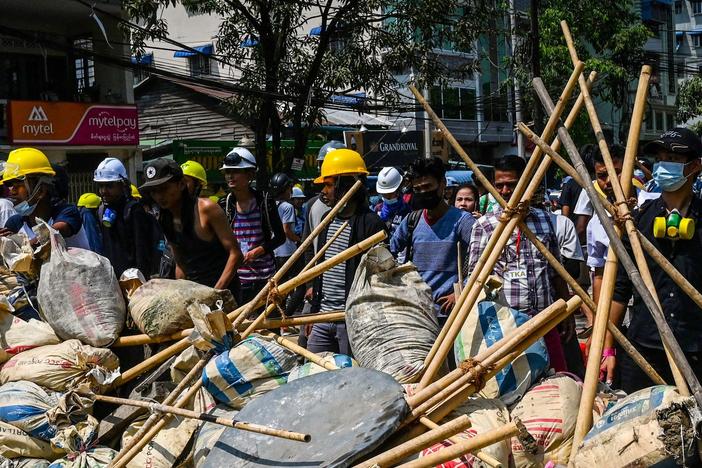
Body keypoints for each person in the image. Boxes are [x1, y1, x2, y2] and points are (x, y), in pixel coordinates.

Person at [603, 128, 702, 391]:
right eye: (660, 158)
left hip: (695, 349)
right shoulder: (636, 222)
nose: (663, 165)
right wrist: (608, 348)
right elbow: (620, 290)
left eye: (673, 158)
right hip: (644, 350)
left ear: (695, 166)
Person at [467, 155, 572, 372]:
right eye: (499, 185)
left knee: (558, 379)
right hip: (507, 325)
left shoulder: (543, 220)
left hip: (545, 319)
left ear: (526, 184)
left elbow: (556, 272)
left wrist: (566, 312)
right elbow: (475, 281)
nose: (505, 191)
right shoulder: (485, 226)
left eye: (511, 185)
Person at [308, 149, 386, 355]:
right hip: (322, 317)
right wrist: (312, 310)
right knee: (314, 370)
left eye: (329, 184)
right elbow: (319, 267)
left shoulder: (371, 223)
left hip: (351, 319)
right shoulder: (327, 220)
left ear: (346, 185)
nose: (324, 191)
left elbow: (382, 271)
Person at [390, 157, 475, 319]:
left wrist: (461, 291)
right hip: (416, 313)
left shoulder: (463, 222)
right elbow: (388, 252)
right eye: (418, 189)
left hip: (450, 315)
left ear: (442, 184)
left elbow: (482, 262)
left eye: (428, 186)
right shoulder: (411, 221)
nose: (423, 193)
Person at [141, 158, 242, 291]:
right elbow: (180, 264)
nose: (159, 196)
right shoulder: (164, 219)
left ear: (182, 184)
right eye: (154, 191)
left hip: (224, 291)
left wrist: (215, 293)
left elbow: (236, 254)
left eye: (164, 188)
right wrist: (182, 293)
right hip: (196, 292)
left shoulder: (206, 209)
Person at [218, 147, 284, 305]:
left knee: (269, 325)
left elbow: (280, 237)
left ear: (249, 175)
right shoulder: (224, 204)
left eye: (235, 171)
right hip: (237, 280)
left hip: (266, 279)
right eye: (228, 172)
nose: (230, 176)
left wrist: (258, 251)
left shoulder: (265, 201)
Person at [2, 148, 89, 249]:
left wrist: (21, 247)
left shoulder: (66, 213)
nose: (12, 191)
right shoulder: (15, 223)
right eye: (10, 185)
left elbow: (53, 234)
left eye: (18, 185)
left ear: (41, 191)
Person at [93, 157, 158, 278]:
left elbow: (141, 250)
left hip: (133, 279)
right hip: (112, 279)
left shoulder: (133, 210)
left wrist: (140, 280)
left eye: (109, 186)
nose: (103, 191)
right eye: (101, 186)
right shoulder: (101, 211)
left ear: (122, 185)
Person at [271, 172, 304, 315]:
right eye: (289, 188)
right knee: (301, 285)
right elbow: (287, 231)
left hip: (275, 252)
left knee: (280, 287)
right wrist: (300, 240)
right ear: (285, 189)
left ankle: (279, 315)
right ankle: (287, 314)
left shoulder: (270, 205)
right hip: (288, 252)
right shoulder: (287, 207)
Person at [374, 166, 411, 237]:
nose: (387, 196)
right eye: (383, 193)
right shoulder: (377, 209)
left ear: (399, 189)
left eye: (390, 193)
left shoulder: (407, 211)